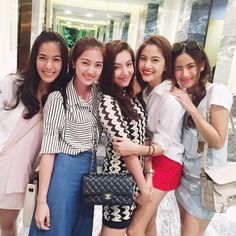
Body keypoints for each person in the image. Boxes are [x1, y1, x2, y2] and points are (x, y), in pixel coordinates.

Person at [29, 37, 104, 236]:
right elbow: (48, 152)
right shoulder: (57, 98)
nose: (91, 71)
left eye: (98, 65)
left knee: (80, 230)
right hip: (63, 175)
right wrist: (42, 201)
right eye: (85, 63)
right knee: (55, 229)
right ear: (73, 62)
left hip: (89, 176)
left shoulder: (100, 96)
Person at [112, 35, 185, 236]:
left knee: (135, 229)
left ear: (166, 65)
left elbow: (162, 146)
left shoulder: (169, 99)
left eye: (155, 60)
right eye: (143, 58)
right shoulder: (147, 90)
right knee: (149, 223)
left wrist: (134, 149)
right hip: (152, 159)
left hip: (167, 162)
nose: (147, 65)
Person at [0, 30, 68, 236]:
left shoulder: (60, 98)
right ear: (34, 58)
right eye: (43, 58)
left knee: (5, 225)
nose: (48, 66)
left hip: (17, 174)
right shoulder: (14, 84)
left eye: (56, 60)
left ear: (64, 64)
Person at [170, 39, 232, 236]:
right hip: (185, 179)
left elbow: (218, 140)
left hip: (204, 183)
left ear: (202, 64)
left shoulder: (217, 92)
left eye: (191, 66)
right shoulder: (186, 92)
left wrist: (191, 108)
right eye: (178, 68)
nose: (185, 74)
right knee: (184, 228)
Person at [98, 40, 152, 236]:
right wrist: (145, 188)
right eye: (116, 67)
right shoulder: (107, 101)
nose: (125, 72)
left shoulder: (131, 97)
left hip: (134, 180)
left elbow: (143, 138)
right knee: (113, 232)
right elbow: (126, 150)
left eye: (128, 64)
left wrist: (149, 174)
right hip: (118, 181)